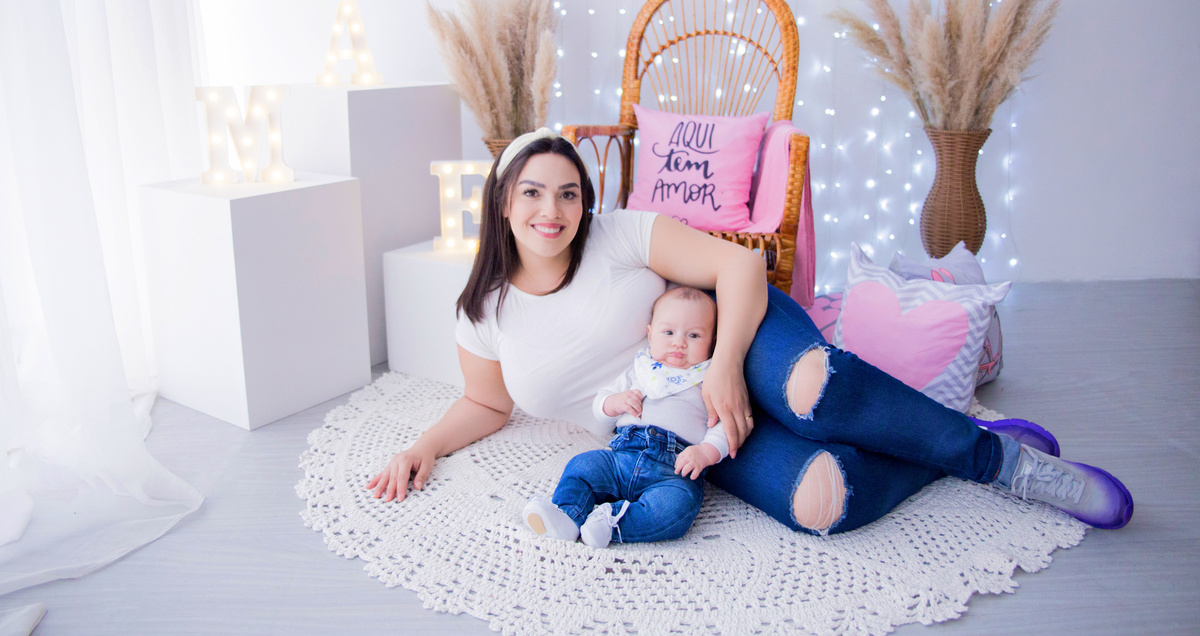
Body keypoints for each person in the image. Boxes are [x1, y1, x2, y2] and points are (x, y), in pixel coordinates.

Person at [367, 129, 1133, 535]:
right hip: (674, 432)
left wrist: (727, 363)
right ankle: (935, 450)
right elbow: (487, 402)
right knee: (823, 503)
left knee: (811, 392)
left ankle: (1003, 461)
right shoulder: (483, 310)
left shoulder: (621, 235)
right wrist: (420, 447)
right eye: (532, 192)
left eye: (569, 193)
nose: (552, 211)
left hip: (737, 340)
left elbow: (736, 268)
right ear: (502, 203)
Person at [523, 286, 728, 548]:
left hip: (674, 469)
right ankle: (567, 516)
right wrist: (615, 402)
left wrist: (706, 452)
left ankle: (612, 524)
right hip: (621, 457)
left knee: (677, 507)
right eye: (668, 332)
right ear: (650, 334)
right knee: (582, 467)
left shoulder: (708, 380)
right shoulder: (639, 371)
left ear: (712, 342)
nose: (679, 342)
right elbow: (601, 403)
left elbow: (720, 425)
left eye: (694, 335)